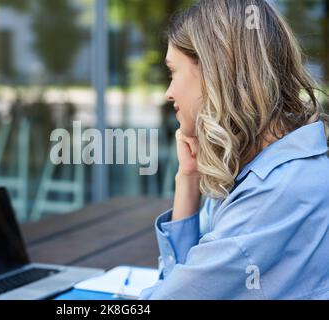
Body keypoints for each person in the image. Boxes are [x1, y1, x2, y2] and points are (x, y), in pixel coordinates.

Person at [139, 0, 329, 299]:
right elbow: (185, 278)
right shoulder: (260, 167)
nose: (169, 92)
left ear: (216, 75)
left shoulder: (275, 192)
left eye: (174, 72)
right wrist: (187, 179)